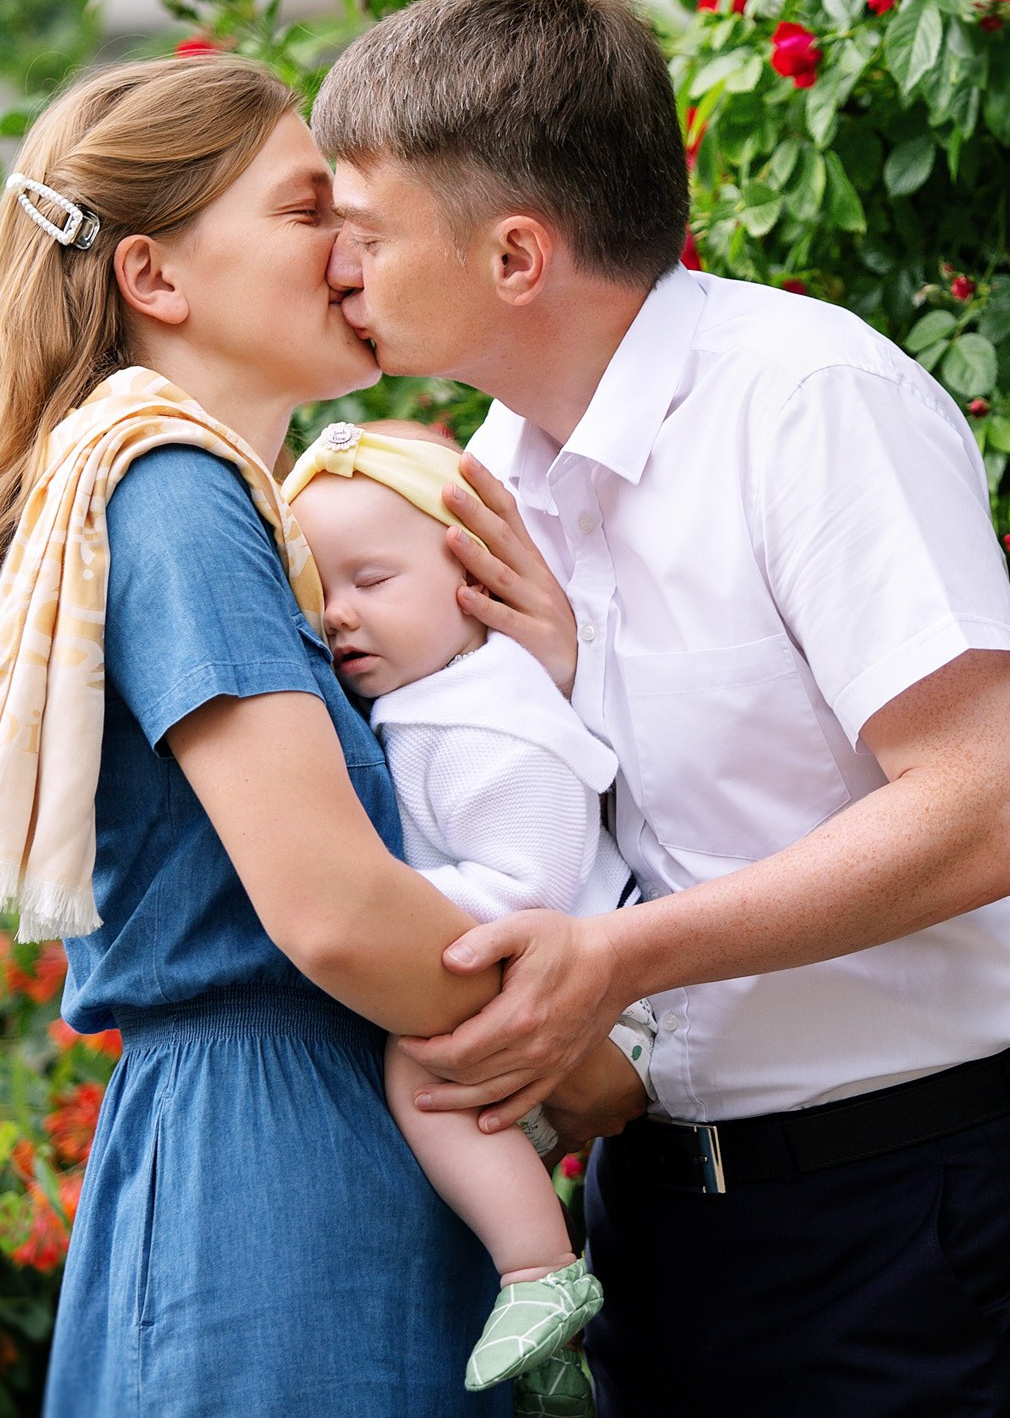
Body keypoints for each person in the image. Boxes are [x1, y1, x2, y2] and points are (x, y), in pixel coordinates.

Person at [312, 0, 1010, 1416]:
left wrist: (619, 961)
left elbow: (991, 812)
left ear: (516, 255)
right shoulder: (479, 487)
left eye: (363, 227)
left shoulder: (807, 402)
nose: (332, 264)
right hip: (653, 1218)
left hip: (903, 1205)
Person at [0, 54, 628, 1416]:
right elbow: (334, 909)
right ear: (157, 278)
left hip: (317, 1141)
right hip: (273, 1174)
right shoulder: (178, 493)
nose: (354, 245)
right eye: (311, 210)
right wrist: (582, 1059)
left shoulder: (215, 507)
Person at [282, 418, 656, 1412]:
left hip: (609, 1001)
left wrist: (386, 915)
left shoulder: (489, 716)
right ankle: (551, 1340)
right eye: (319, 593)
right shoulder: (433, 702)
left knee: (423, 1068)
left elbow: (528, 880)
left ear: (470, 575)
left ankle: (540, 1271)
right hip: (561, 994)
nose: (340, 618)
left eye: (372, 580)